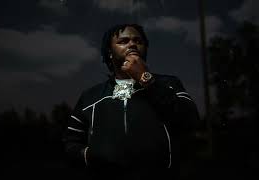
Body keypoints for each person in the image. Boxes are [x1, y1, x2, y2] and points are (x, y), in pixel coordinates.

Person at [63, 24, 200, 180]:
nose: (132, 44)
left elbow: (190, 120)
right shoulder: (90, 96)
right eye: (123, 41)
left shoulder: (169, 83)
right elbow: (71, 142)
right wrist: (90, 156)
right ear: (109, 52)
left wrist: (145, 78)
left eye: (138, 41)